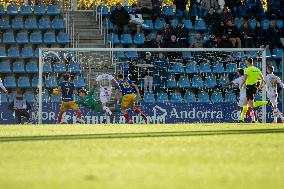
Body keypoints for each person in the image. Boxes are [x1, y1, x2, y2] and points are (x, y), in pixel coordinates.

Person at [240, 58, 264, 123]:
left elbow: (244, 79)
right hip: (254, 87)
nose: (245, 62)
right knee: (248, 103)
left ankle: (267, 102)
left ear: (248, 62)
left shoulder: (247, 69)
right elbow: (262, 79)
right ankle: (251, 119)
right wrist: (259, 87)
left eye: (246, 61)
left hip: (249, 87)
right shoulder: (257, 70)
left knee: (250, 104)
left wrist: (241, 85)